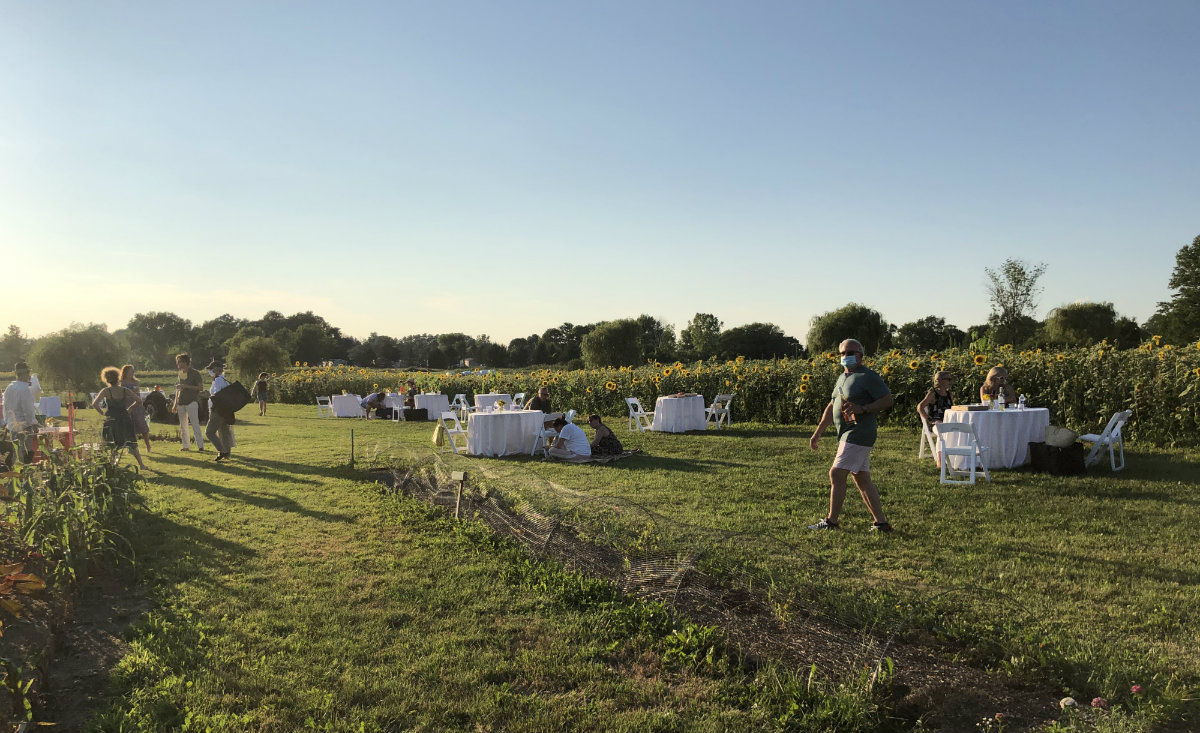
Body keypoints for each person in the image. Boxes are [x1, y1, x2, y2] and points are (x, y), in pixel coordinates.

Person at [808, 339, 895, 533]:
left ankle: (831, 521)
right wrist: (818, 432)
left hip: (859, 433)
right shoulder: (842, 377)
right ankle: (881, 523)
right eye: (842, 353)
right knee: (861, 478)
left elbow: (888, 400)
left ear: (861, 355)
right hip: (846, 433)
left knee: (837, 473)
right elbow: (832, 406)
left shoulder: (868, 376)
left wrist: (864, 408)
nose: (846, 356)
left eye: (851, 352)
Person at [92, 367, 148, 469]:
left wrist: (102, 413)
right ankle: (141, 465)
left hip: (111, 418)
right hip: (124, 418)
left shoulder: (106, 391)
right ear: (118, 378)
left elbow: (94, 403)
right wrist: (129, 409)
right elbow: (139, 401)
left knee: (110, 441)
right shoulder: (124, 390)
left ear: (106, 379)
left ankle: (112, 464)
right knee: (131, 441)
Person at [3, 362, 39, 464]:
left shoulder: (9, 388)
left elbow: (5, 407)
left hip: (12, 424)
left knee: (15, 450)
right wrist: (32, 423)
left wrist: (7, 421)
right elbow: (28, 410)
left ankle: (13, 473)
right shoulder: (24, 389)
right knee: (24, 451)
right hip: (24, 425)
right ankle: (22, 473)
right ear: (26, 373)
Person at [171, 353, 205, 451]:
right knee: (183, 426)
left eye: (179, 361)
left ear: (185, 362)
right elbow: (178, 389)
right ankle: (186, 446)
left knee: (195, 424)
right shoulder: (180, 373)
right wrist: (175, 404)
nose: (177, 363)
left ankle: (200, 446)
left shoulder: (195, 373)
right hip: (181, 402)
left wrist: (185, 386)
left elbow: (200, 388)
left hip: (192, 401)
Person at [204, 359, 234, 462]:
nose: (210, 372)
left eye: (211, 370)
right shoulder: (224, 380)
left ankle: (222, 451)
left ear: (216, 370)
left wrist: (208, 395)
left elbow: (217, 396)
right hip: (225, 410)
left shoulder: (218, 380)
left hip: (217, 410)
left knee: (209, 432)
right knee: (223, 432)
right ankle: (227, 453)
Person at [120, 364, 153, 452]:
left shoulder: (135, 382)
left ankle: (148, 446)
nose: (132, 372)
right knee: (129, 427)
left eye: (133, 370)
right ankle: (131, 447)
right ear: (126, 371)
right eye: (131, 370)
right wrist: (131, 392)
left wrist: (131, 393)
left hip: (137, 406)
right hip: (126, 406)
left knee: (143, 426)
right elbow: (122, 395)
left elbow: (137, 394)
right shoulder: (121, 383)